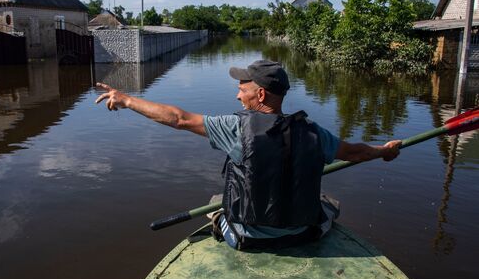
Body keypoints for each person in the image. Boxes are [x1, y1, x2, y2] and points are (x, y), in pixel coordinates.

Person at [95, 60, 401, 250]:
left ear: (261, 95)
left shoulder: (235, 128)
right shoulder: (313, 132)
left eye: (243, 89)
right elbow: (356, 152)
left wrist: (127, 100)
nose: (237, 95)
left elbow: (178, 119)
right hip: (303, 234)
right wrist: (384, 152)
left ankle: (223, 222)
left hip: (246, 237)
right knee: (329, 203)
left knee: (218, 201)